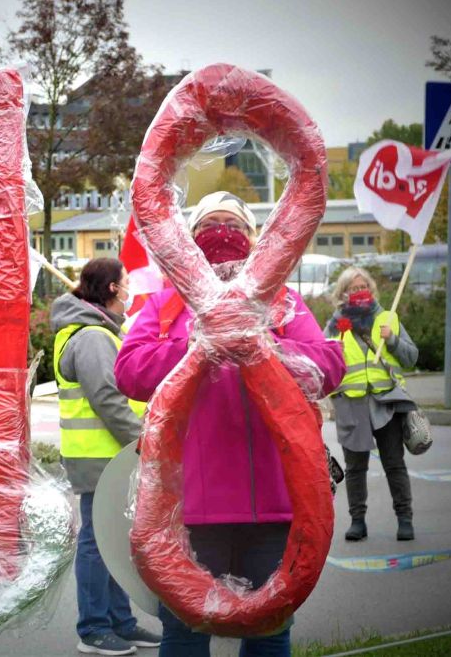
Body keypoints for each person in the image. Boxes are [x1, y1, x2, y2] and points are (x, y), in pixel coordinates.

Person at [113, 191, 346, 657]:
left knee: (269, 634)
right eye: (209, 224)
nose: (222, 233)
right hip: (189, 514)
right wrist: (199, 344)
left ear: (254, 240)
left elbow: (327, 365)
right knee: (184, 634)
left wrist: (260, 345)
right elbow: (129, 371)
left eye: (234, 224)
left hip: (275, 510)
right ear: (190, 240)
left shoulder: (283, 302)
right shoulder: (164, 304)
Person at [51, 258, 161, 656]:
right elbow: (107, 399)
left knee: (115, 542)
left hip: (111, 456)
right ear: (113, 288)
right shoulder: (93, 336)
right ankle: (94, 628)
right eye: (127, 282)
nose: (131, 289)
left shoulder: (99, 332)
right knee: (98, 543)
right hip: (101, 458)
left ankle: (120, 622)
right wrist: (143, 443)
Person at [324, 266, 419, 542]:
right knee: (355, 469)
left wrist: (391, 340)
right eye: (352, 288)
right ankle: (358, 522)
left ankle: (404, 519)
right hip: (351, 406)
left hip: (386, 403)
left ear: (372, 289)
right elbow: (321, 362)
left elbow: (411, 358)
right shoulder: (334, 324)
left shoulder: (388, 318)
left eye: (362, 286)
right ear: (343, 294)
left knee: (394, 464)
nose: (358, 292)